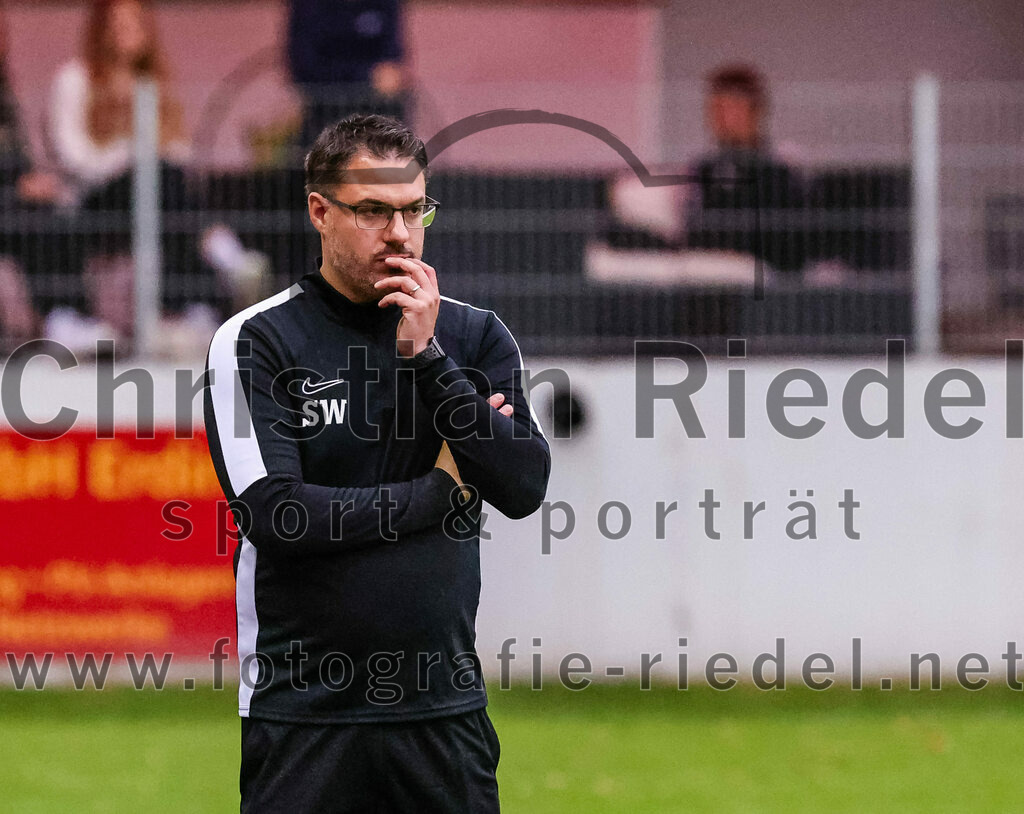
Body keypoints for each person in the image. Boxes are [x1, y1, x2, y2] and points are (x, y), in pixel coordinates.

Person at [203, 114, 551, 812]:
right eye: (372, 211)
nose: (398, 232)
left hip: (442, 715)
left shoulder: (472, 336)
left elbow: (522, 485)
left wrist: (428, 361)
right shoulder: (256, 341)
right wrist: (441, 492)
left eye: (412, 210)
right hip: (305, 713)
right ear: (320, 212)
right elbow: (281, 517)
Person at [47, 0, 268, 351]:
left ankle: (192, 306)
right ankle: (223, 260)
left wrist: (149, 161)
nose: (125, 32)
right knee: (162, 184)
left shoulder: (153, 82)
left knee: (168, 191)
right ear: (100, 29)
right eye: (117, 24)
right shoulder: (75, 79)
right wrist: (132, 155)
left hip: (154, 197)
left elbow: (178, 151)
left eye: (134, 23)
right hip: (96, 200)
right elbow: (73, 157)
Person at [685, 63, 807, 274]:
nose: (719, 119)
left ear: (755, 112)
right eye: (714, 109)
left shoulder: (779, 171)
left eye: (728, 108)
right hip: (710, 273)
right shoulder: (704, 169)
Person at [287, 0, 407, 148]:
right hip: (324, 117)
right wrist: (368, 75)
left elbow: (393, 59)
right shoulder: (309, 7)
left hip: (377, 116)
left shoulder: (384, 4)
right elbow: (303, 66)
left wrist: (388, 75)